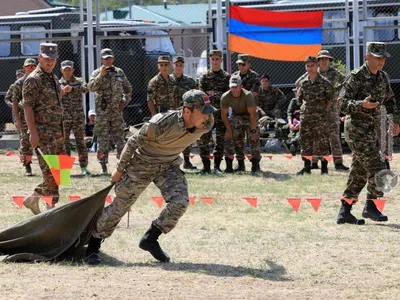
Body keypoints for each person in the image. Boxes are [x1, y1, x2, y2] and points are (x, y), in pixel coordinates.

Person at [85, 89, 216, 265]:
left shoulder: (207, 124)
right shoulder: (161, 123)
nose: (207, 117)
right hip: (142, 164)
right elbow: (132, 142)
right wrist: (119, 169)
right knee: (120, 205)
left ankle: (150, 239)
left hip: (168, 165)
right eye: (203, 112)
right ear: (187, 111)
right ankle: (92, 247)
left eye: (208, 112)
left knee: (180, 202)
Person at [336, 42, 400, 225]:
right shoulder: (356, 77)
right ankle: (371, 207)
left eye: (383, 58)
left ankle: (345, 210)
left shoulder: (383, 77)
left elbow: (390, 101)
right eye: (377, 57)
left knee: (359, 171)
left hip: (373, 132)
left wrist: (395, 121)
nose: (381, 61)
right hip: (356, 130)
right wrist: (360, 105)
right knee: (380, 168)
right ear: (367, 57)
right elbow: (341, 104)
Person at [22, 43, 65, 214]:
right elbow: (27, 107)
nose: (50, 62)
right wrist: (33, 133)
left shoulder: (53, 78)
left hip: (58, 133)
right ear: (40, 58)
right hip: (43, 134)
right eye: (47, 59)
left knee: (60, 174)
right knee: (50, 174)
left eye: (53, 59)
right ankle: (50, 212)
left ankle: (32, 199)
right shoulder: (34, 79)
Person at [88, 48, 132, 175]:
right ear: (101, 59)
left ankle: (123, 165)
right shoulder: (96, 73)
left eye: (110, 58)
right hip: (102, 113)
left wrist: (124, 101)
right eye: (105, 58)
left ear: (113, 59)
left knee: (120, 138)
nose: (108, 60)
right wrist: (101, 76)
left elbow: (128, 88)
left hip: (116, 112)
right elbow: (91, 87)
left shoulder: (119, 72)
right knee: (102, 140)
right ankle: (103, 166)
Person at [297, 56, 334, 175]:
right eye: (307, 66)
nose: (309, 68)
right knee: (305, 142)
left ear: (317, 66)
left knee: (322, 142)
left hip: (320, 118)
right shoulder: (303, 83)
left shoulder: (325, 82)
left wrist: (322, 110)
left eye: (312, 65)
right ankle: (307, 168)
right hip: (306, 117)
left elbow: (330, 100)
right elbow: (300, 99)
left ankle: (324, 168)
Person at [198, 49, 230, 174]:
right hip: (206, 114)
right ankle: (206, 167)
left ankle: (217, 166)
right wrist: (211, 96)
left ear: (221, 60)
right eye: (213, 59)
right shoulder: (204, 77)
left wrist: (213, 94)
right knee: (204, 140)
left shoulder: (226, 77)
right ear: (210, 60)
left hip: (221, 113)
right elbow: (202, 95)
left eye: (217, 59)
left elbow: (228, 96)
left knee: (220, 140)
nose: (215, 61)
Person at [221, 75, 261, 174]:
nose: (234, 90)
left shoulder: (248, 95)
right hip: (236, 116)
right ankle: (238, 165)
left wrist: (253, 130)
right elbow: (224, 115)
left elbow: (252, 114)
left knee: (254, 138)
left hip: (249, 117)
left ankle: (255, 166)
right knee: (231, 138)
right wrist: (229, 131)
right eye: (232, 87)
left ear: (241, 86)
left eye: (236, 87)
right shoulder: (225, 97)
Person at [59, 60, 90, 175]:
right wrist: (62, 92)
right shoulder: (57, 83)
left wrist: (73, 88)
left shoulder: (79, 81)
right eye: (65, 69)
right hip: (64, 118)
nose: (67, 71)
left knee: (80, 142)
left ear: (73, 70)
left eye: (69, 69)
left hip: (78, 117)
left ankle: (84, 167)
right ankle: (65, 169)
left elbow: (86, 89)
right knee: (64, 143)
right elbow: (52, 96)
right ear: (61, 70)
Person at [169, 56, 197, 170]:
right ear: (173, 65)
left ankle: (186, 161)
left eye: (180, 65)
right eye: (176, 65)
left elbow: (196, 95)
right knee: (172, 138)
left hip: (186, 113)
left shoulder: (190, 81)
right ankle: (172, 162)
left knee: (186, 137)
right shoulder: (167, 80)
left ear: (183, 66)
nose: (178, 67)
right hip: (171, 113)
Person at [12, 59, 37, 176]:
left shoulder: (40, 80)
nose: (31, 68)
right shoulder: (18, 84)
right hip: (25, 116)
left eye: (33, 66)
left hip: (40, 115)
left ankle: (48, 167)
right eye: (29, 66)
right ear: (24, 68)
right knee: (26, 142)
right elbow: (15, 103)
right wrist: (17, 119)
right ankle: (27, 166)